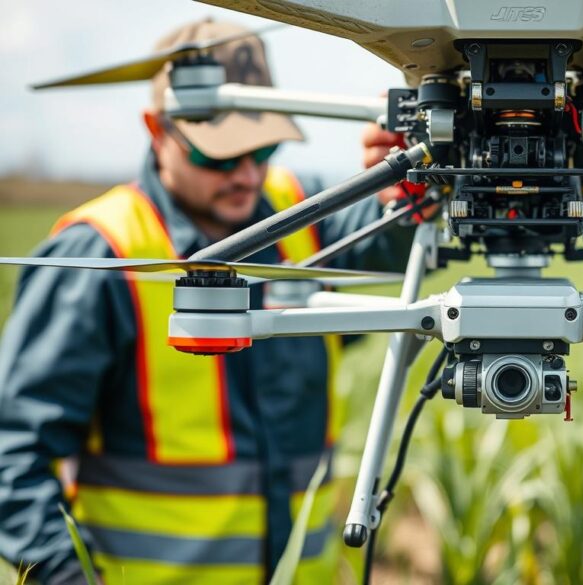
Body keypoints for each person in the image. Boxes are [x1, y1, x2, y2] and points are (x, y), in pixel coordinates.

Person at [0, 19, 410, 584]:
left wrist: (415, 183)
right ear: (157, 129)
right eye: (219, 157)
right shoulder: (103, 253)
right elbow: (12, 455)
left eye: (261, 149)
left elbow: (393, 230)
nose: (246, 175)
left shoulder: (301, 217)